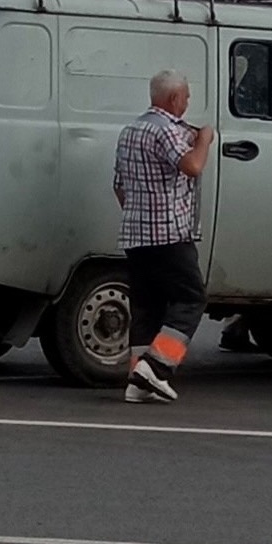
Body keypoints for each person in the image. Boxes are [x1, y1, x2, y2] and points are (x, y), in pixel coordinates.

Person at [113, 70, 215, 403]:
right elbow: (192, 167)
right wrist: (204, 140)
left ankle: (136, 382)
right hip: (169, 234)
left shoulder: (129, 131)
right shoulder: (167, 130)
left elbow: (119, 186)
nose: (187, 103)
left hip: (135, 235)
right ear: (173, 99)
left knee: (147, 306)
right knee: (191, 298)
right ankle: (157, 368)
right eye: (186, 97)